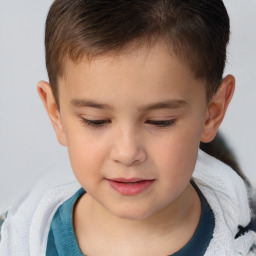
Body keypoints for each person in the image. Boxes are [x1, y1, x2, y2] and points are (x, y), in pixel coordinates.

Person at [0, 0, 255, 255]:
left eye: (160, 121)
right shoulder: (14, 241)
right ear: (57, 115)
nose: (127, 152)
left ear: (212, 113)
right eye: (95, 120)